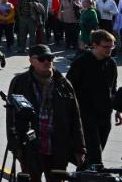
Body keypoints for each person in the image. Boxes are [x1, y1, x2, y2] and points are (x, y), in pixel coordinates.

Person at [7, 44, 86, 181]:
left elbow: (75, 117)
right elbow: (11, 117)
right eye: (42, 58)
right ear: (31, 60)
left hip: (57, 149)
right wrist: (15, 146)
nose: (47, 62)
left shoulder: (64, 84)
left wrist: (80, 149)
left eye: (50, 58)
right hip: (31, 149)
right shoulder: (20, 82)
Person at [66, 30, 119, 167]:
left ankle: (82, 175)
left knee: (95, 153)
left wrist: (118, 109)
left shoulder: (111, 64)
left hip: (105, 115)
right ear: (95, 45)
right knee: (95, 157)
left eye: (112, 46)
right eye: (106, 47)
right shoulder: (81, 63)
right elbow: (68, 89)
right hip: (86, 115)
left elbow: (112, 89)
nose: (110, 50)